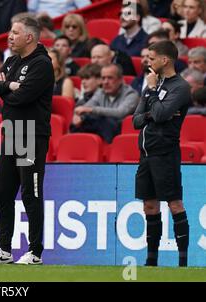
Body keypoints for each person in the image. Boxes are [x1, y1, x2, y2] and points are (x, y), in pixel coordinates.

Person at [0, 13, 54, 265]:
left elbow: (21, 98)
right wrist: (9, 87)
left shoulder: (42, 64)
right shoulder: (12, 61)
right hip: (11, 133)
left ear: (30, 36)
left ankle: (34, 252)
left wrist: (7, 88)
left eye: (15, 33)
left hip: (32, 134)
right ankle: (4, 250)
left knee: (30, 194)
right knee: (3, 192)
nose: (10, 37)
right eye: (10, 32)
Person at [133, 40, 191, 267]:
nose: (148, 62)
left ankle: (183, 262)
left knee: (175, 204)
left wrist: (153, 96)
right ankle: (151, 260)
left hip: (165, 152)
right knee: (149, 205)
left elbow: (159, 114)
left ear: (165, 60)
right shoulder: (151, 85)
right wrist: (152, 103)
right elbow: (136, 120)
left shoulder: (180, 87)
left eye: (151, 58)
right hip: (145, 153)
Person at [70, 64, 139, 143]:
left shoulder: (131, 94)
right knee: (81, 122)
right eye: (103, 78)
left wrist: (91, 110)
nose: (106, 82)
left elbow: (120, 113)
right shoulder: (101, 92)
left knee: (107, 121)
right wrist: (79, 116)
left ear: (120, 80)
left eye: (110, 78)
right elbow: (86, 106)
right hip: (101, 131)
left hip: (119, 134)